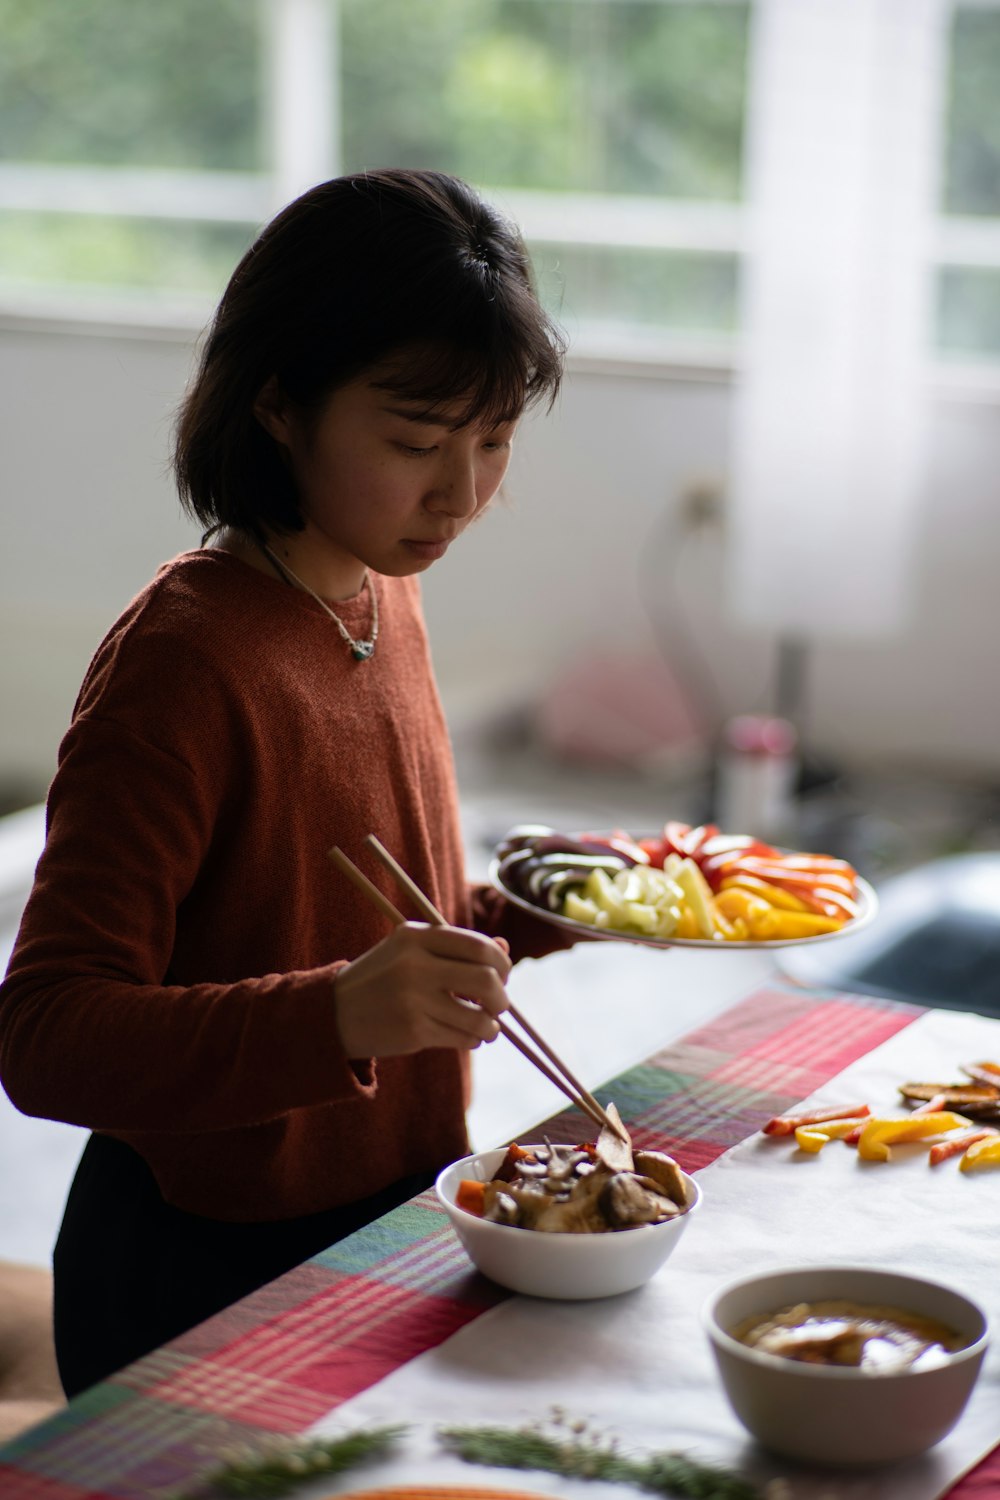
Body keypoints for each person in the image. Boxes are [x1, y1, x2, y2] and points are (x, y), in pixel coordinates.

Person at [0, 168, 567, 1398]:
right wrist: (338, 1018)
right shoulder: (184, 660)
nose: (460, 494)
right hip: (201, 1267)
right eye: (416, 442)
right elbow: (44, 1036)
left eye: (493, 439)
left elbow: (355, 921)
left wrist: (537, 910)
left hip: (392, 1214)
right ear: (277, 407)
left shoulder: (380, 588)